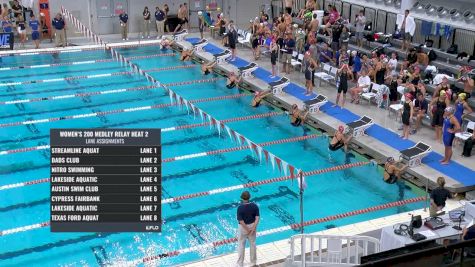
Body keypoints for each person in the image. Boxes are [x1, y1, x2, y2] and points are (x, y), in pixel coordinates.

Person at [236, 191, 259, 267]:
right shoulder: (254, 206)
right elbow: (257, 218)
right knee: (253, 244)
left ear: (242, 198)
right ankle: (253, 262)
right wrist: (253, 228)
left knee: (241, 245)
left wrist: (247, 229)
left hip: (243, 228)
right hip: (252, 225)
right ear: (249, 197)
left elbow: (241, 221)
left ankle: (240, 264)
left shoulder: (240, 208)